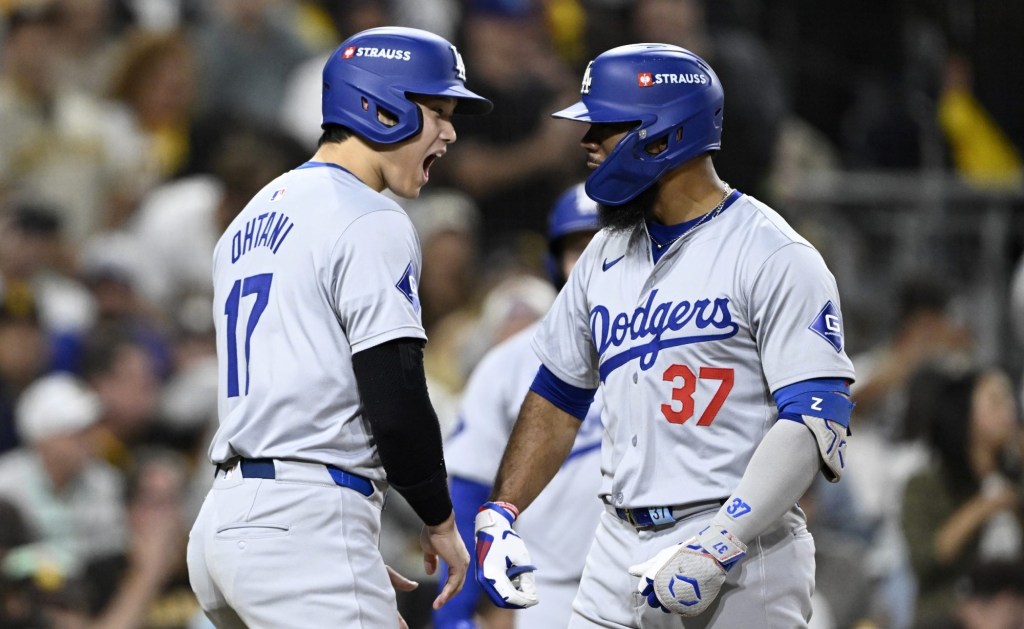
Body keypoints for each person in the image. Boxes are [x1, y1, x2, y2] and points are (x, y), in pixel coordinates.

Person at [473, 44, 856, 628]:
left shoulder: (772, 253)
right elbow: (557, 395)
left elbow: (816, 417)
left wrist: (721, 541)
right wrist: (504, 509)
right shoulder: (602, 256)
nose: (587, 142)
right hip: (614, 543)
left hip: (742, 553)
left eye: (604, 125)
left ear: (663, 135)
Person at [186, 26, 492, 628]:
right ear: (380, 107)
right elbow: (397, 398)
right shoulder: (369, 216)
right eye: (437, 111)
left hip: (228, 519)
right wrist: (438, 517)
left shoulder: (249, 220)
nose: (451, 132)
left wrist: (340, 546)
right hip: (301, 517)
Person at [436, 184, 604, 629]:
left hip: (659, 583)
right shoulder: (511, 364)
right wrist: (454, 614)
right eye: (578, 250)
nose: (591, 265)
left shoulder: (670, 353)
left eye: (606, 248)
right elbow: (469, 489)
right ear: (555, 264)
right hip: (549, 594)